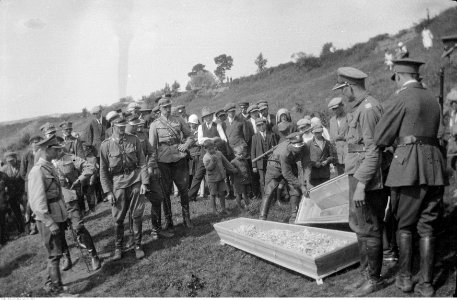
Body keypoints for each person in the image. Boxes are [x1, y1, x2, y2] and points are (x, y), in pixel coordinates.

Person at [374, 58, 446, 297]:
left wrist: (401, 140)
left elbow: (381, 136)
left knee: (404, 226)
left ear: (399, 75)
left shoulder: (401, 97)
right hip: (435, 168)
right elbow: (441, 133)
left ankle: (405, 279)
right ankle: (426, 284)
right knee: (427, 228)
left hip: (408, 171)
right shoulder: (433, 99)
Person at [332, 66, 386, 296]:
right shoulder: (356, 109)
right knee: (359, 225)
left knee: (370, 227)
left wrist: (362, 185)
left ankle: (374, 279)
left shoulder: (368, 109)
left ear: (350, 87)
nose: (341, 95)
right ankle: (366, 275)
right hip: (356, 173)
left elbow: (374, 151)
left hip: (368, 178)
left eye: (342, 90)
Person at [100, 114, 149, 260]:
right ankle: (118, 247)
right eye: (119, 127)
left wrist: (144, 183)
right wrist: (108, 192)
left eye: (124, 126)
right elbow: (103, 171)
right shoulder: (106, 145)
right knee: (118, 218)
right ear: (113, 126)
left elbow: (142, 162)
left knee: (137, 214)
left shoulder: (134, 140)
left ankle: (138, 245)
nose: (122, 129)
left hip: (135, 181)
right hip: (118, 185)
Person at [28, 136, 70, 294]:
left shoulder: (48, 166)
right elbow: (37, 203)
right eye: (56, 149)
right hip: (48, 218)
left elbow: (57, 193)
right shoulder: (37, 171)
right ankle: (58, 291)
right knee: (54, 255)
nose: (58, 151)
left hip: (56, 213)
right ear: (47, 150)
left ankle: (50, 284)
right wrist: (50, 223)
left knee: (55, 253)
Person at [53, 138, 101, 271]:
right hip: (54, 203)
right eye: (53, 149)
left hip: (70, 200)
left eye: (58, 148)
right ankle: (66, 256)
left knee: (78, 227)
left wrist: (79, 180)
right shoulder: (46, 164)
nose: (57, 151)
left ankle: (94, 256)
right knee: (58, 231)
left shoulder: (71, 158)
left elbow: (89, 167)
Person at [149, 96, 194, 230]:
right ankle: (169, 221)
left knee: (183, 189)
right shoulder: (154, 125)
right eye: (164, 107)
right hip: (163, 161)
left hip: (179, 158)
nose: (167, 109)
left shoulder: (178, 120)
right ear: (160, 109)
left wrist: (186, 145)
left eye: (169, 106)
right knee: (165, 192)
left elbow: (190, 136)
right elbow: (152, 147)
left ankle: (187, 219)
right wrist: (153, 164)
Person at [259, 132, 309, 223]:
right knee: (269, 191)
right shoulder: (283, 153)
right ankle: (262, 218)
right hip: (274, 166)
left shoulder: (304, 147)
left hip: (290, 164)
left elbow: (307, 165)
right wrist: (301, 186)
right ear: (291, 144)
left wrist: (306, 182)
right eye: (297, 147)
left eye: (300, 146)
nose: (299, 148)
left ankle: (294, 217)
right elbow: (286, 174)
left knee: (295, 190)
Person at [188, 107, 228, 202]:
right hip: (204, 154)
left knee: (217, 173)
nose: (208, 118)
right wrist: (214, 139)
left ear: (211, 116)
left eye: (209, 116)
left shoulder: (217, 125)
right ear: (203, 118)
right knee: (198, 175)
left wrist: (213, 139)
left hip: (215, 153)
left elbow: (223, 139)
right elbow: (200, 140)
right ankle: (191, 196)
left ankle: (219, 194)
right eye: (206, 116)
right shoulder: (200, 127)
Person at [202, 140, 237, 214]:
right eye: (209, 149)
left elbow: (226, 163)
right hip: (212, 179)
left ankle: (223, 209)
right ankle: (214, 210)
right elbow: (208, 168)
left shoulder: (219, 153)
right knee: (213, 194)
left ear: (215, 147)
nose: (212, 150)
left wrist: (232, 169)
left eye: (213, 148)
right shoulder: (206, 157)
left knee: (222, 193)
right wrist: (212, 162)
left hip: (221, 177)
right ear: (205, 149)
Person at [20, 135, 43, 235]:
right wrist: (30, 179)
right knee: (31, 204)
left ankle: (44, 223)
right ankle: (33, 227)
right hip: (29, 183)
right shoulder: (26, 155)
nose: (36, 144)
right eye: (34, 142)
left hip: (42, 181)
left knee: (42, 200)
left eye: (38, 142)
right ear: (31, 144)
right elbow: (22, 172)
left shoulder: (42, 153)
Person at [251, 118, 278, 199]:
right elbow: (253, 152)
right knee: (262, 181)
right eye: (259, 125)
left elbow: (276, 148)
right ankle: (265, 198)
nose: (261, 127)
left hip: (271, 162)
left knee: (272, 179)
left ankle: (273, 197)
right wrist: (254, 166)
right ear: (257, 127)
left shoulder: (272, 135)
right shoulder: (254, 137)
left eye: (262, 124)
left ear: (265, 124)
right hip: (260, 163)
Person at [1, 152, 25, 234]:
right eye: (8, 161)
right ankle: (21, 229)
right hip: (11, 194)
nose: (10, 162)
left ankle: (31, 227)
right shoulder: (4, 169)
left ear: (15, 158)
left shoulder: (22, 165)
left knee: (26, 209)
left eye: (12, 160)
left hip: (22, 191)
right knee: (16, 212)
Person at [328, 97, 348, 175]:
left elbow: (355, 135)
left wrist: (344, 138)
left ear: (342, 106)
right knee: (340, 178)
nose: (335, 111)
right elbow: (331, 139)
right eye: (333, 109)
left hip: (349, 152)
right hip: (337, 155)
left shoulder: (350, 117)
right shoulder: (332, 121)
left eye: (336, 108)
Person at [231, 145, 252, 209]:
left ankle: (246, 205)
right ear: (235, 154)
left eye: (242, 154)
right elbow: (231, 173)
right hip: (238, 181)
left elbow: (248, 169)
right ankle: (240, 206)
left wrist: (250, 177)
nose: (241, 155)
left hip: (245, 180)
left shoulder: (245, 160)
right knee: (239, 195)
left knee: (245, 193)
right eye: (239, 154)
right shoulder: (233, 162)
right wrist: (232, 182)